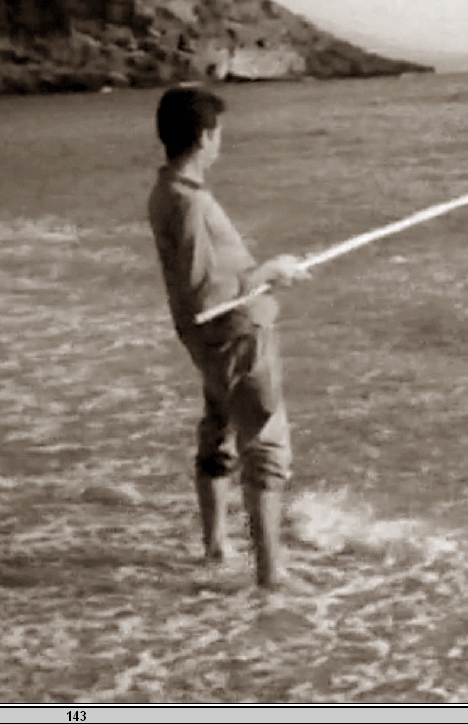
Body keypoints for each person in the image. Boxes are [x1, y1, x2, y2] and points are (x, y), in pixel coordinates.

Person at [147, 86, 310, 589]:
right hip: (235, 337)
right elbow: (205, 295)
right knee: (265, 446)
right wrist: (268, 273)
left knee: (218, 430)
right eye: (218, 133)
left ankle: (217, 545)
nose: (220, 142)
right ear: (204, 137)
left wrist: (260, 276)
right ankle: (271, 574)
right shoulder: (190, 203)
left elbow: (198, 288)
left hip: (211, 342)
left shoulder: (167, 191)